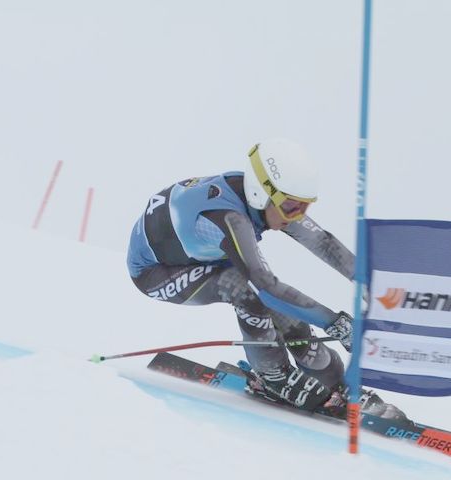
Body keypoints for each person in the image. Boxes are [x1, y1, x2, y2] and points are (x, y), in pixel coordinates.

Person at [126, 138, 362, 413]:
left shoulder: (268, 200)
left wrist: (367, 281)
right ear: (262, 195)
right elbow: (266, 287)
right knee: (246, 290)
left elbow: (321, 242)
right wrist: (334, 323)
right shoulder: (231, 219)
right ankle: (273, 375)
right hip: (155, 272)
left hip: (203, 254)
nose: (296, 216)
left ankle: (327, 373)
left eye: (304, 207)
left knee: (282, 309)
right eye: (291, 207)